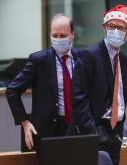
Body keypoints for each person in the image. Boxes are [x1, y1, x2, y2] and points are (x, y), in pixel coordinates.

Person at [67, 4, 127, 165]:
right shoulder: (89, 55)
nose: (116, 31)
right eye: (112, 26)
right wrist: (91, 131)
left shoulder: (124, 61)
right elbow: (78, 98)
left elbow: (120, 96)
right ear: (104, 27)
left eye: (121, 28)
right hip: (93, 129)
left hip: (115, 130)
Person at [6, 14, 80, 151]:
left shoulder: (82, 58)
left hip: (77, 128)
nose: (58, 39)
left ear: (72, 34)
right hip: (48, 131)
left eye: (62, 35)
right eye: (54, 35)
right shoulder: (39, 60)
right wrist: (25, 121)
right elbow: (12, 91)